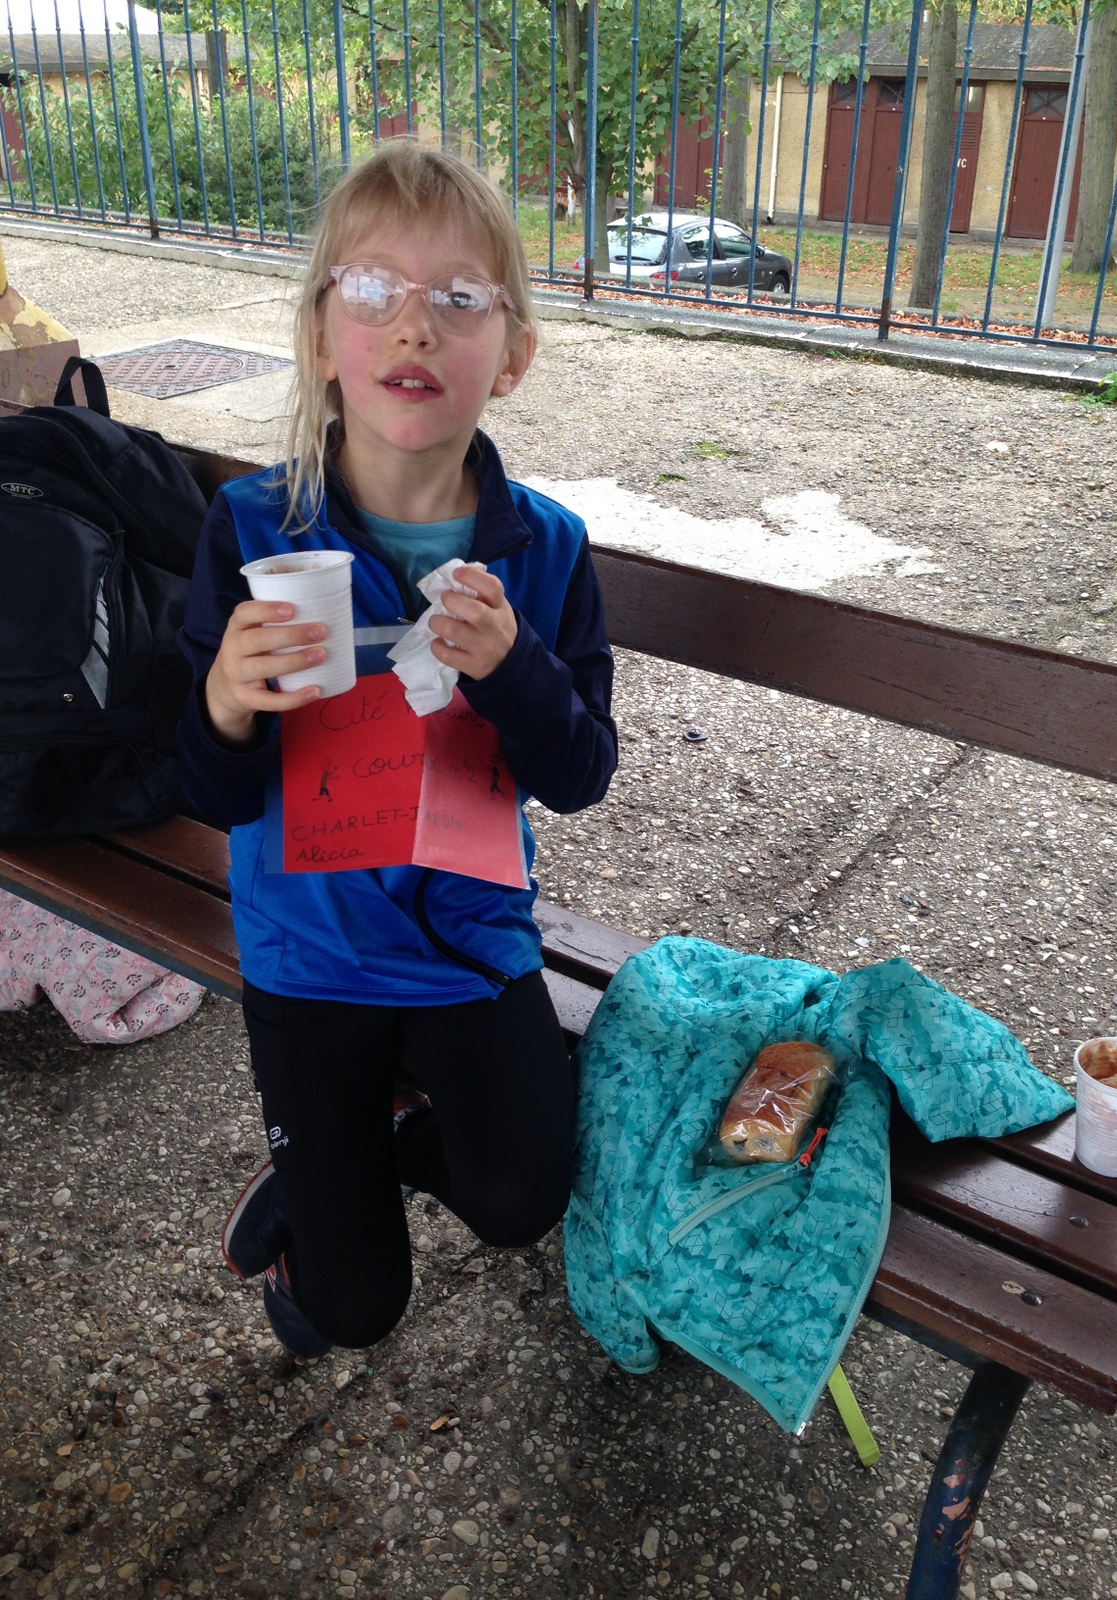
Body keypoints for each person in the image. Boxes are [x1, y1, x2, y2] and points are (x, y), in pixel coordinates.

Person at [177, 141, 617, 1360]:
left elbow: (581, 774)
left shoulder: (544, 549)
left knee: (522, 1199)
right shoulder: (255, 529)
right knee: (352, 1307)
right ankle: (323, 1186)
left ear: (512, 356)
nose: (414, 325)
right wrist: (227, 697)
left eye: (459, 297)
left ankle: (389, 1143)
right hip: (310, 945)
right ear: (324, 338)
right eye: (373, 289)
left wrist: (518, 668)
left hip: (468, 937)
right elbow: (209, 788)